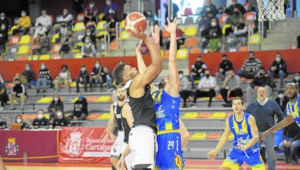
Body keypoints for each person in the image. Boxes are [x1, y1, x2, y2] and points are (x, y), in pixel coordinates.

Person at [134, 19, 189, 169]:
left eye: (170, 77)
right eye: (166, 77)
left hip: (170, 137)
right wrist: (139, 52)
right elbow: (146, 73)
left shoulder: (172, 91)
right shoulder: (155, 94)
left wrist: (172, 34)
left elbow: (172, 60)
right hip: (155, 139)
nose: (168, 77)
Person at [114, 24, 162, 169]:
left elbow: (152, 70)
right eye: (130, 68)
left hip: (138, 135)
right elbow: (157, 66)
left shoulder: (135, 85)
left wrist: (155, 45)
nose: (134, 67)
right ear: (125, 76)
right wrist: (146, 38)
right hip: (143, 134)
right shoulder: (134, 85)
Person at [208, 97, 266, 170]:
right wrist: (215, 151)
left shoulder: (249, 118)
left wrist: (246, 146)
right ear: (232, 106)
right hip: (237, 152)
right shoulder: (229, 120)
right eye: (234, 104)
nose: (236, 106)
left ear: (242, 106)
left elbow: (256, 137)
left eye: (238, 104)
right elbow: (225, 136)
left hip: (252, 152)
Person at [245, 87, 284, 170]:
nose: (261, 93)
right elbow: (245, 117)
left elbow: (281, 115)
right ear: (257, 93)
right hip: (255, 133)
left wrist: (277, 127)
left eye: (263, 91)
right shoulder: (252, 105)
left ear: (266, 93)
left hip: (269, 132)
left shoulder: (272, 103)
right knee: (255, 152)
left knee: (271, 153)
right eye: (260, 92)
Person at [102, 85, 128, 169]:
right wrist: (108, 134)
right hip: (120, 134)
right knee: (113, 159)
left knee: (127, 159)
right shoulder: (114, 106)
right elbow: (111, 122)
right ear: (116, 94)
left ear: (125, 92)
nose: (120, 93)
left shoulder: (129, 103)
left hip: (129, 134)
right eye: (119, 92)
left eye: (122, 91)